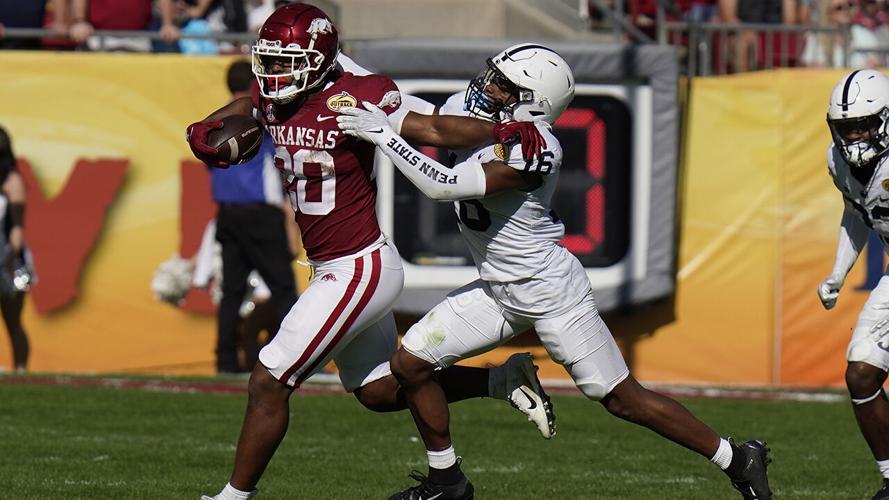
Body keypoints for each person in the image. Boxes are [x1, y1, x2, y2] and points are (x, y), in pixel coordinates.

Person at [338, 43, 773, 500]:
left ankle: (737, 457)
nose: (489, 87)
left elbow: (442, 187)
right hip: (496, 289)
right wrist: (339, 65)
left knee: (622, 398)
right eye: (493, 75)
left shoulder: (537, 147)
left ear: (535, 101)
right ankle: (446, 483)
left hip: (549, 291)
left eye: (505, 85)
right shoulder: (481, 117)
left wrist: (383, 137)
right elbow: (410, 110)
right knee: (410, 366)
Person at [187, 4, 553, 499]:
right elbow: (248, 105)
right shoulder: (277, 91)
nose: (272, 73)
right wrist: (206, 128)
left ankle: (233, 497)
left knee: (268, 379)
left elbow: (433, 129)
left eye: (284, 61)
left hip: (359, 267)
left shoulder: (360, 91)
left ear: (317, 58)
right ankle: (500, 382)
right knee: (379, 393)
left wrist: (499, 129)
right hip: (330, 267)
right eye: (267, 60)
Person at [818, 68, 889, 500]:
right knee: (862, 373)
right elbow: (857, 213)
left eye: (863, 125)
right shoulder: (838, 159)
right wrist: (838, 273)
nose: (855, 137)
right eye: (846, 128)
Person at [209, 59, 299, 374]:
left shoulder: (216, 122)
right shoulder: (255, 118)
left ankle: (225, 361)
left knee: (232, 291)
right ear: (252, 85)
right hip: (260, 213)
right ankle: (295, 358)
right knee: (284, 288)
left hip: (228, 213)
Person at [0, 127, 30, 373]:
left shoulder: (12, 181)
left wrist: (9, 257)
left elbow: (17, 228)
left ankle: (21, 370)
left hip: (9, 259)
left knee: (13, 320)